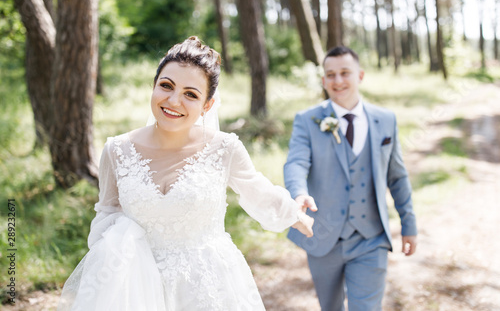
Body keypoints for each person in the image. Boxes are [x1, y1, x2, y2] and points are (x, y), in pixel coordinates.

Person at [57, 36, 314, 311]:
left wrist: (295, 214)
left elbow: (256, 189)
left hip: (208, 287)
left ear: (207, 105)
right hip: (136, 289)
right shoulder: (117, 150)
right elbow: (107, 213)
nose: (174, 100)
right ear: (153, 87)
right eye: (166, 86)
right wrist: (106, 277)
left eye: (191, 94)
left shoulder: (224, 148)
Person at [284, 46, 417, 311]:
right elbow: (296, 162)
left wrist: (408, 224)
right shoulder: (307, 120)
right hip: (322, 235)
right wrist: (299, 192)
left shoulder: (386, 120)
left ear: (360, 75)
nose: (338, 81)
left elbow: (397, 176)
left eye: (345, 73)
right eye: (330, 75)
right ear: (323, 81)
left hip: (371, 238)